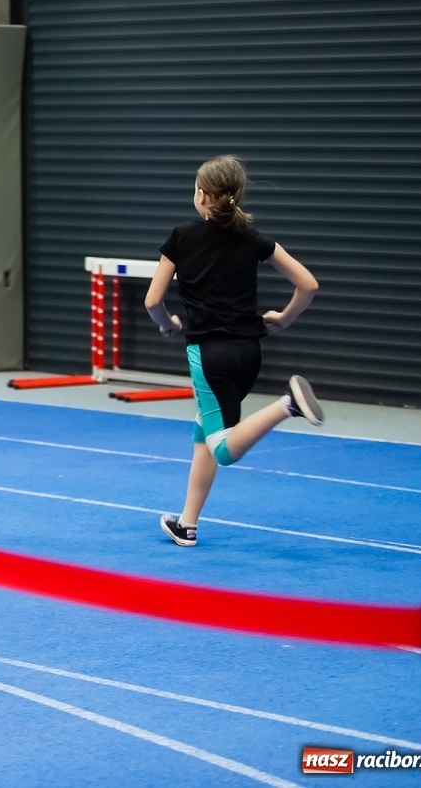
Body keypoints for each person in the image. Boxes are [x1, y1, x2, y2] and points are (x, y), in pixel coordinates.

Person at [147, 154, 323, 548]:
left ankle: (288, 406)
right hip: (249, 355)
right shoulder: (253, 239)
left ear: (203, 195)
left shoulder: (182, 236)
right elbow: (308, 284)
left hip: (209, 356)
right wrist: (286, 318)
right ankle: (187, 524)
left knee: (223, 448)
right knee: (203, 430)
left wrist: (166, 324)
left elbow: (152, 300)